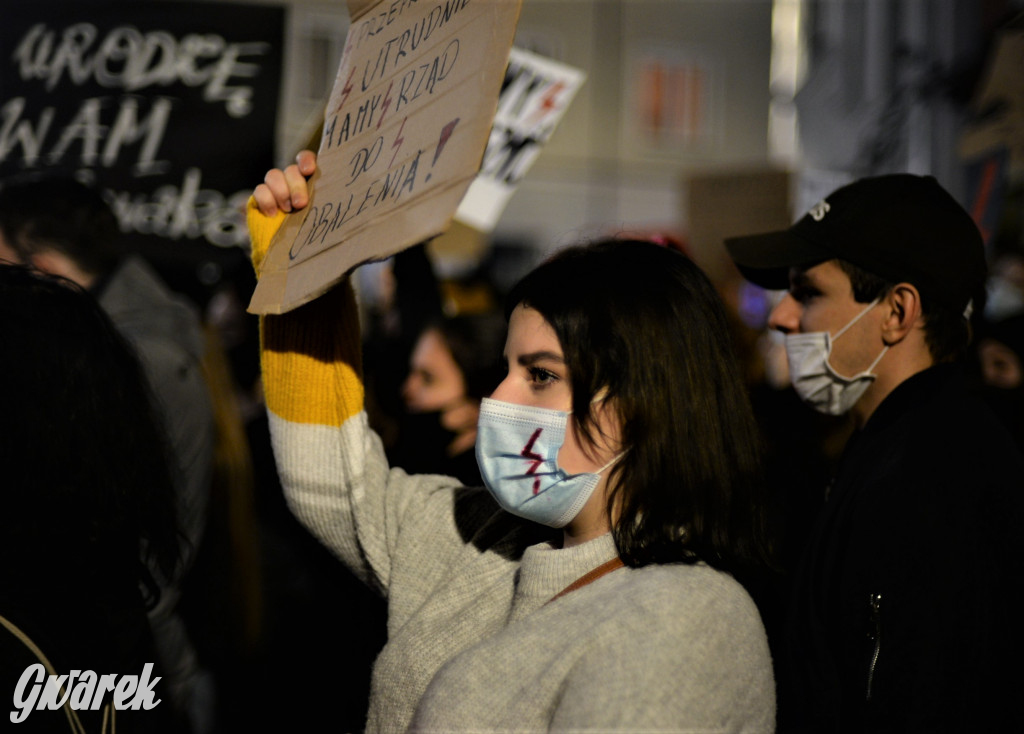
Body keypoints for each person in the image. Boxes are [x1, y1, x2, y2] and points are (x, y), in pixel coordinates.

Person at [250, 151, 775, 732]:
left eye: (542, 375)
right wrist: (300, 269)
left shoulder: (690, 618)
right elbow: (338, 486)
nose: (498, 398)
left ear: (640, 404)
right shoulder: (482, 535)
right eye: (506, 368)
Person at [725, 173, 1024, 732]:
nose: (781, 316)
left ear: (897, 312)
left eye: (808, 292)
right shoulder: (895, 445)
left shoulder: (938, 475)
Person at [0, 176, 215, 730]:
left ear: (41, 271)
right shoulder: (112, 343)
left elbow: (151, 557)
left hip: (123, 666)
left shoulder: (136, 361)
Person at [389, 311, 507, 486]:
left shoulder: (480, 486)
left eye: (428, 379)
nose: (407, 389)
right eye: (411, 372)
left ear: (480, 401)